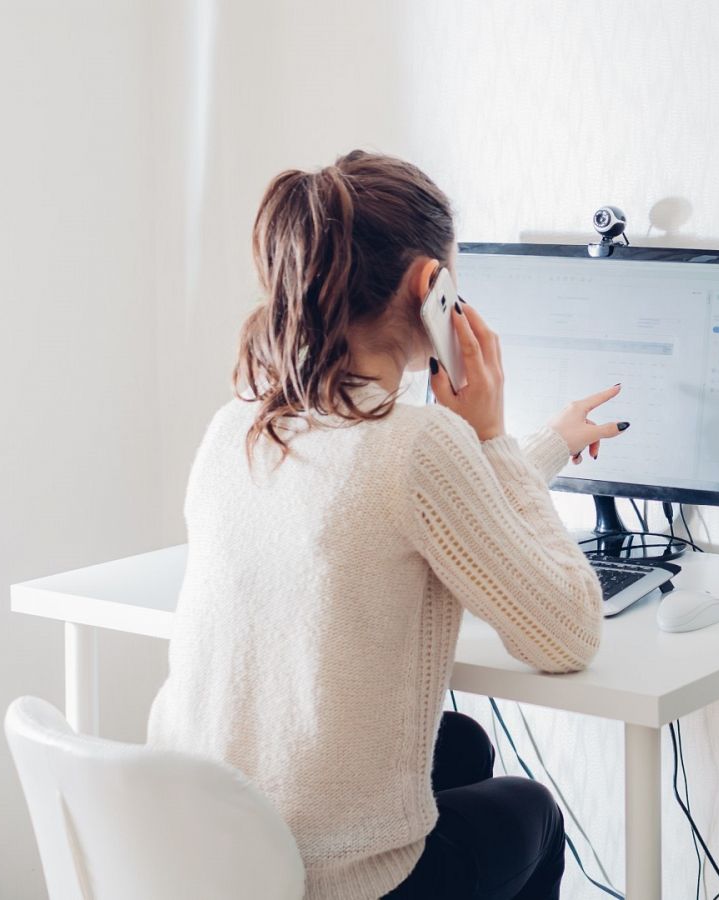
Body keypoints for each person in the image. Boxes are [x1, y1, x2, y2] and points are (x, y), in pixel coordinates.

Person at [147, 150, 625, 900]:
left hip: (207, 856)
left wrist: (547, 446)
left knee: (459, 747)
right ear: (431, 285)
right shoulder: (419, 444)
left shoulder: (237, 424)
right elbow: (568, 634)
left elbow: (429, 512)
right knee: (532, 813)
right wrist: (491, 438)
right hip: (328, 880)